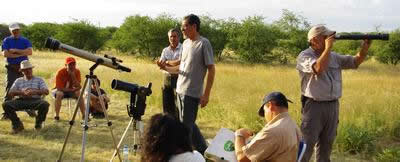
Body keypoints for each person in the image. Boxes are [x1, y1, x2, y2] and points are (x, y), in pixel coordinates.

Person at [296, 24, 372, 162]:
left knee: (327, 144)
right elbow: (318, 68)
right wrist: (328, 47)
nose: (331, 39)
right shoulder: (304, 56)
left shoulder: (333, 56)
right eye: (326, 37)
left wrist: (365, 46)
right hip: (314, 106)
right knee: (307, 144)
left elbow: (355, 62)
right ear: (314, 39)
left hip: (332, 106)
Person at [157, 14, 216, 154]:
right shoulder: (187, 44)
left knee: (185, 127)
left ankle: (184, 154)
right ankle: (203, 150)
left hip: (192, 92)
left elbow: (211, 69)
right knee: (187, 123)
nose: (182, 30)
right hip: (180, 90)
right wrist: (164, 67)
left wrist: (206, 94)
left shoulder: (203, 43)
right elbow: (180, 67)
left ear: (194, 26)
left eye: (184, 27)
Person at [234, 92, 302, 162]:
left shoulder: (272, 131)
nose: (265, 117)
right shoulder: (293, 125)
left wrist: (239, 135)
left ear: (270, 105)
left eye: (264, 111)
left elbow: (242, 159)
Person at [2, 60, 50, 134]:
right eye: (25, 70)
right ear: (22, 71)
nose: (28, 71)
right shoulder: (18, 80)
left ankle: (38, 125)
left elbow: (46, 91)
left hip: (35, 100)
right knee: (6, 104)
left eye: (29, 69)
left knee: (45, 104)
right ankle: (17, 124)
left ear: (32, 69)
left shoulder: (39, 79)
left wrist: (34, 91)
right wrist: (22, 92)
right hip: (21, 100)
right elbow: (10, 93)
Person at [1, 22, 36, 120]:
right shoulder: (6, 40)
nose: (15, 32)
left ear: (19, 30)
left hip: (25, 68)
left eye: (17, 30)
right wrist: (22, 53)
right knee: (10, 89)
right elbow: (6, 54)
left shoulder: (25, 40)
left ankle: (30, 109)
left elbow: (30, 52)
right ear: (10, 31)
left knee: (28, 88)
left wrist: (16, 51)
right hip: (12, 68)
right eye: (13, 30)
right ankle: (6, 113)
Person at [158, 28, 182, 118]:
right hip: (166, 80)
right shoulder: (165, 50)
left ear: (179, 37)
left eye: (175, 36)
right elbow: (161, 65)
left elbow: (182, 63)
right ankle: (169, 127)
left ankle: (179, 127)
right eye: (170, 36)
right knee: (167, 106)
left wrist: (167, 63)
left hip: (179, 79)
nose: (172, 38)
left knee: (179, 106)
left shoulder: (183, 48)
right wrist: (174, 64)